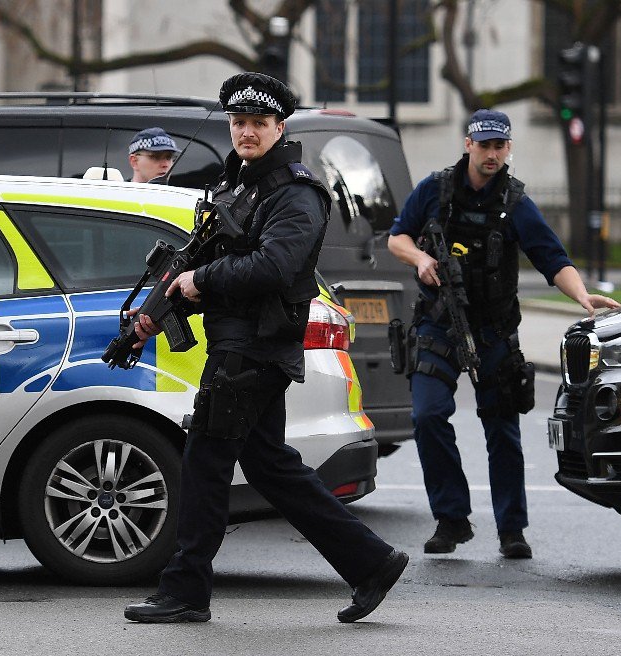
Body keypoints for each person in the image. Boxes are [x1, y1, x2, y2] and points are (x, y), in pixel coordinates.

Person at [123, 72, 408, 625]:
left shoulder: (295, 193)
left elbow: (273, 268)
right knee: (271, 468)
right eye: (238, 122)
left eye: (258, 123)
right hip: (238, 344)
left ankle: (185, 591)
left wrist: (201, 280)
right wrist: (161, 310)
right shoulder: (240, 186)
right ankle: (372, 562)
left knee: (205, 461)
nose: (246, 132)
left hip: (253, 351)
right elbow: (210, 263)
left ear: (280, 127)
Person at [387, 109, 621, 559]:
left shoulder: (514, 203)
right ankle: (450, 518)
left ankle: (512, 529)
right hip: (439, 324)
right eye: (484, 145)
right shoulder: (434, 190)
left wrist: (583, 297)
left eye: (500, 146)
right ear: (467, 144)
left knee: (502, 427)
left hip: (493, 331)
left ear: (508, 148)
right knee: (428, 416)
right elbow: (398, 237)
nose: (492, 154)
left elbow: (553, 258)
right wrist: (419, 259)